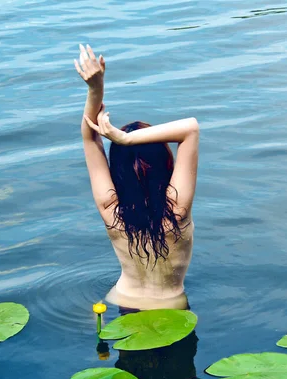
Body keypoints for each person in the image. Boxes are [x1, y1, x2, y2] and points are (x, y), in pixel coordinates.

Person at [74, 44, 199, 311]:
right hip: (171, 309)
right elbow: (191, 129)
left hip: (120, 301)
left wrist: (95, 89)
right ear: (164, 161)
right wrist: (126, 138)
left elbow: (89, 136)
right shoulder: (176, 210)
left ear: (116, 169)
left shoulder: (111, 211)